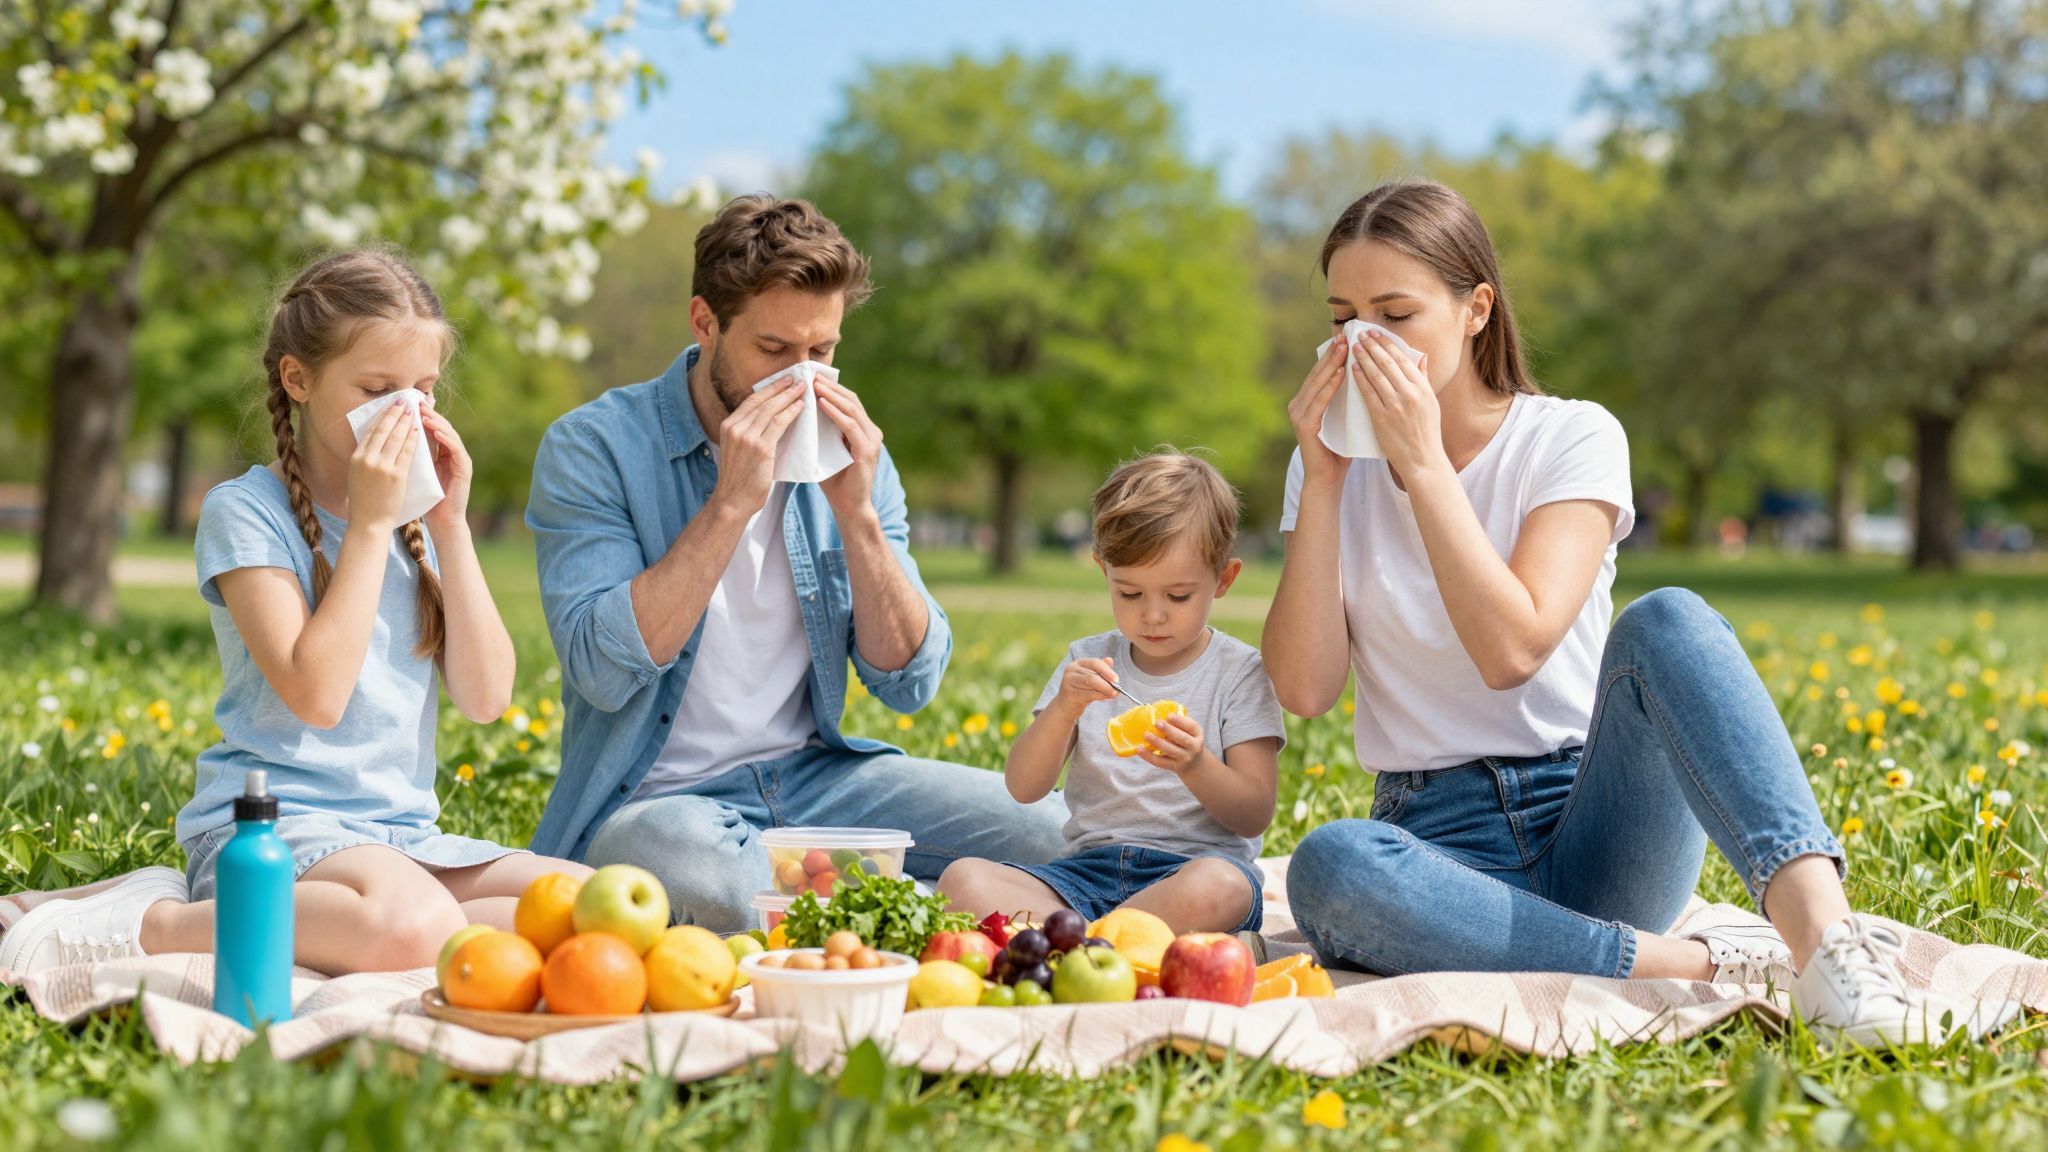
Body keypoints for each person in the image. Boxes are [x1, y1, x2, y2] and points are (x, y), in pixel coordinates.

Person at [1264, 180, 1961, 1045]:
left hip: (1595, 819)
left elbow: (1510, 649)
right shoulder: (1328, 472)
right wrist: (1326, 482)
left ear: (1476, 309)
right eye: (1343, 319)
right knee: (1331, 866)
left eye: (1395, 314)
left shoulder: (1571, 437)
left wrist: (1424, 466)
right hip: (1437, 843)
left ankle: (1829, 946)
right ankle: (1694, 967)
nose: (1363, 343)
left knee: (1669, 617)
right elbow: (1303, 689)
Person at [0, 249, 587, 978]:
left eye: (424, 390)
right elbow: (316, 695)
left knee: (579, 907)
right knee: (415, 930)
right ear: (298, 379)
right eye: (377, 387)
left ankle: (375, 922)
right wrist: (371, 529)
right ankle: (151, 922)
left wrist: (451, 525)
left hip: (398, 837)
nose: (405, 412)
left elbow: (488, 698)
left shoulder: (416, 520)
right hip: (270, 834)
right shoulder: (244, 512)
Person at [525, 195, 1064, 932]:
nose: (804, 380)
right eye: (775, 352)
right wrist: (728, 506)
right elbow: (601, 670)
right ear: (704, 322)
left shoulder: (853, 455)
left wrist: (859, 516)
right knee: (692, 873)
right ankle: (891, 911)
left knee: (1059, 833)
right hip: (663, 803)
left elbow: (910, 680)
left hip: (819, 784)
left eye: (823, 353)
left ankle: (816, 906)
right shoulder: (594, 447)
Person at [939, 453, 1284, 936]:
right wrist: (1063, 709)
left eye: (1178, 596)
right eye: (1129, 594)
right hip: (1086, 874)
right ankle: (1115, 941)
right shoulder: (1088, 660)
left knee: (1220, 888)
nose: (1153, 615)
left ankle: (1079, 940)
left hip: (1187, 873)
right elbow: (1023, 787)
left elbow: (1253, 813)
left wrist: (1195, 764)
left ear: (1224, 579)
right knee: (962, 880)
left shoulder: (1240, 672)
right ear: (1103, 571)